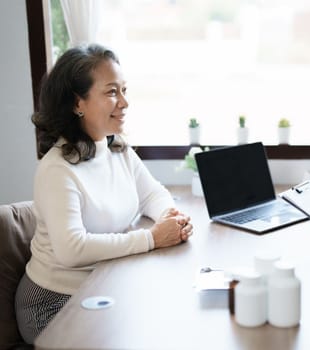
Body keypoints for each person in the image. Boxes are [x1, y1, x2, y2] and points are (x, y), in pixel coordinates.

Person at [15, 43, 194, 343]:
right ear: (77, 103)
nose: (124, 102)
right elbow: (72, 250)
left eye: (124, 90)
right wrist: (152, 238)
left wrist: (171, 219)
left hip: (105, 283)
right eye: (112, 92)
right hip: (55, 300)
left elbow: (153, 194)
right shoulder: (57, 170)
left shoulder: (116, 147)